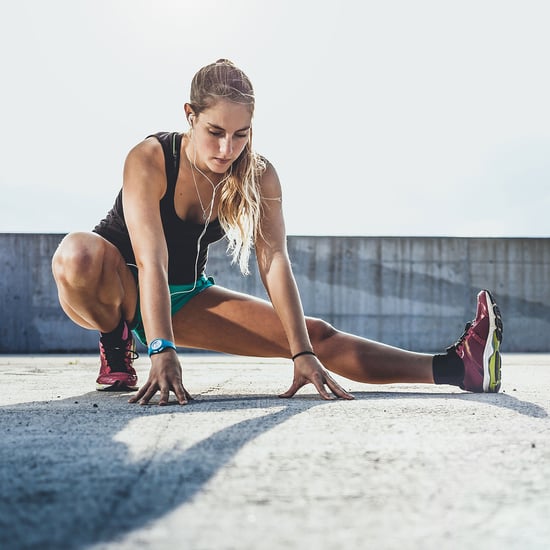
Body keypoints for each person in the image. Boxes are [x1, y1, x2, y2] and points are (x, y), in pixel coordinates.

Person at [51, 59, 503, 406]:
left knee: (316, 337)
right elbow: (151, 259)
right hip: (118, 282)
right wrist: (160, 347)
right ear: (189, 115)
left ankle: (457, 368)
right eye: (215, 132)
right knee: (78, 255)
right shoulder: (149, 158)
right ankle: (115, 344)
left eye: (240, 134)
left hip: (183, 294)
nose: (227, 149)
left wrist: (301, 351)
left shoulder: (258, 174)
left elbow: (274, 260)